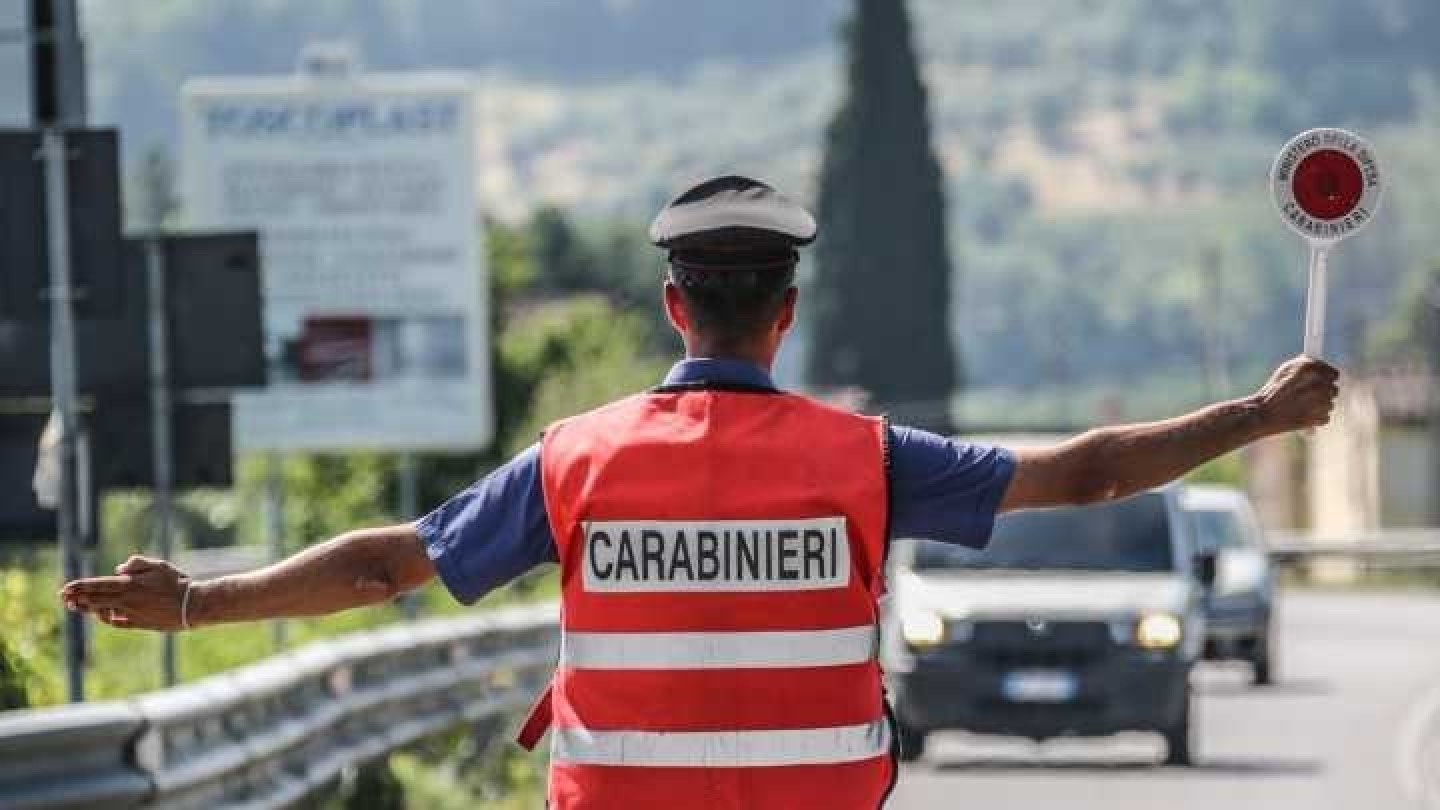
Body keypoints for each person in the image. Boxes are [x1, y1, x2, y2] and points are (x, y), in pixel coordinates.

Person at [60, 175, 1339, 809]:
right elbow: (1094, 469)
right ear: (787, 315)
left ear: (675, 305)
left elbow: (386, 566)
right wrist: (1261, 414)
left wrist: (198, 602)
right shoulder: (866, 459)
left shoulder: (576, 459)